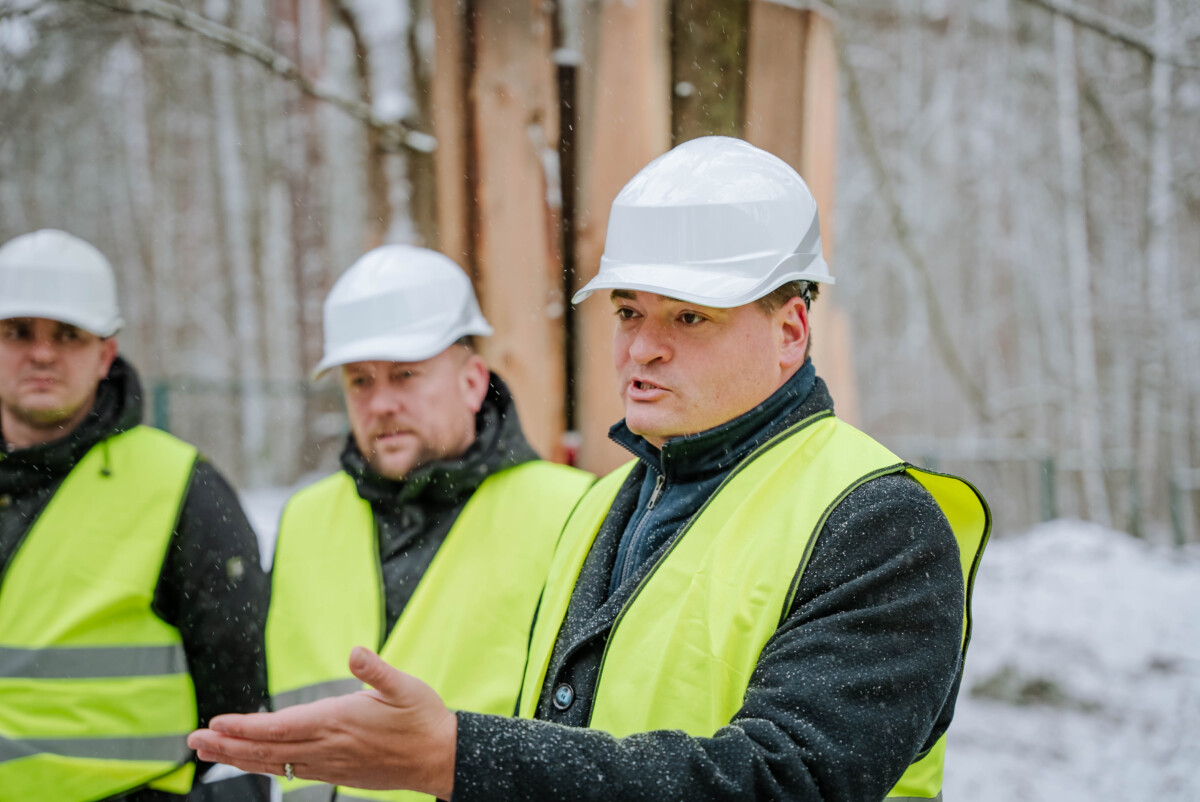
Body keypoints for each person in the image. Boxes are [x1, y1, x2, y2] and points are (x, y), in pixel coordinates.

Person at [189, 137, 990, 801]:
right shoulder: (608, 504)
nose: (642, 347)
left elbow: (781, 783)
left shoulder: (878, 521)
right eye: (629, 312)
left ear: (791, 330)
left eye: (689, 316)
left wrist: (455, 756)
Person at [262, 244, 594, 801]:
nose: (381, 403)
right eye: (360, 381)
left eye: (405, 375)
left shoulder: (572, 511)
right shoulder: (305, 517)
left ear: (471, 382)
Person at [0, 229, 270, 801]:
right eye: (18, 332)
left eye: (67, 335)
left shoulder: (179, 488)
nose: (42, 353)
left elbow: (241, 693)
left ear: (105, 353)